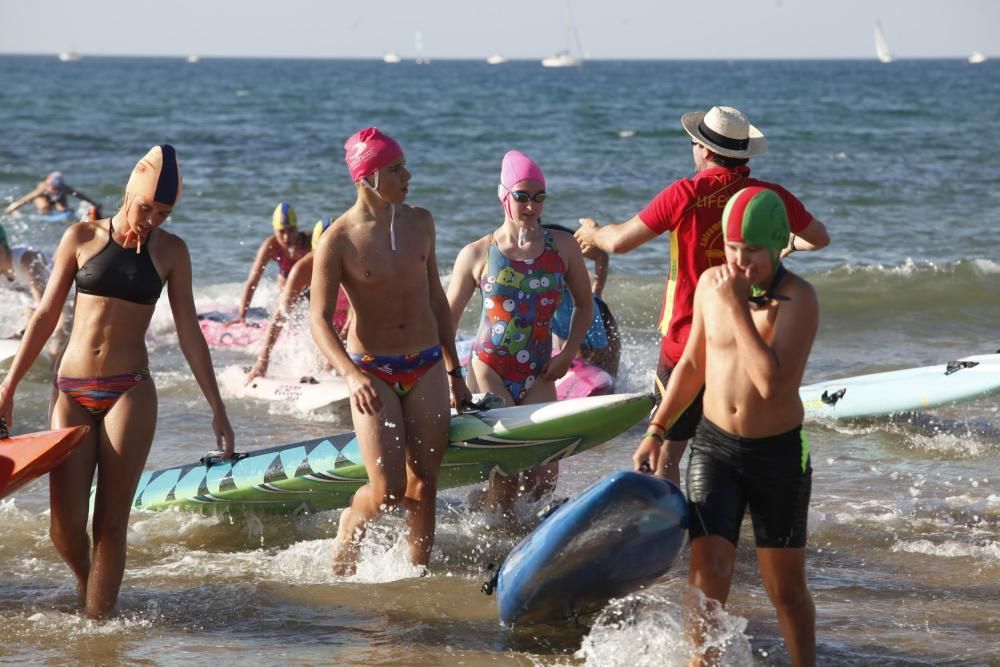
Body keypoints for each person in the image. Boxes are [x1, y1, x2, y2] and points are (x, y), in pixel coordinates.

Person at [0, 145, 235, 619]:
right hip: (71, 390)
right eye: (147, 207)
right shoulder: (81, 236)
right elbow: (45, 315)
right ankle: (92, 588)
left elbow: (190, 332)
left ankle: (98, 624)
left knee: (110, 521)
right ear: (130, 190)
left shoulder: (172, 252)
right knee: (64, 527)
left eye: (164, 212)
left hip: (130, 389)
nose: (152, 219)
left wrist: (218, 406)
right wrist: (7, 388)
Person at [575, 105, 829, 486]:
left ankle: (675, 534)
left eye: (693, 143)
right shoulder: (767, 197)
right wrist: (783, 243)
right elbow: (819, 238)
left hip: (684, 339)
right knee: (738, 443)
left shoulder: (685, 192)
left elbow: (620, 242)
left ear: (705, 150)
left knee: (666, 453)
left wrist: (593, 233)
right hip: (747, 339)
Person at [634, 187, 817, 666]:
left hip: (778, 455)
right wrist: (657, 428)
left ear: (778, 245)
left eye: (751, 252)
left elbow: (771, 384)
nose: (739, 263)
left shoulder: (798, 300)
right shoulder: (714, 284)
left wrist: (737, 306)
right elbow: (692, 364)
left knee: (785, 590)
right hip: (714, 448)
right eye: (732, 250)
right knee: (707, 576)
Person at [309, 127, 470, 575]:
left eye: (404, 165)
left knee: (425, 483)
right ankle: (350, 523)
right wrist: (350, 374)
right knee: (387, 490)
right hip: (372, 370)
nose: (408, 175)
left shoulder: (422, 222)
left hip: (427, 364)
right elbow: (318, 318)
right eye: (396, 168)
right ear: (368, 177)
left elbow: (436, 298)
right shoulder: (337, 240)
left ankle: (416, 575)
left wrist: (455, 372)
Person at [447, 151, 593, 513]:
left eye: (538, 197)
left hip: (541, 370)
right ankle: (483, 525)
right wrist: (451, 379)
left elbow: (585, 305)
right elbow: (444, 321)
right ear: (504, 196)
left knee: (545, 477)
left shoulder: (564, 248)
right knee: (509, 474)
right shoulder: (478, 253)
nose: (531, 206)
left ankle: (520, 535)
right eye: (521, 196)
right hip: (488, 370)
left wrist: (568, 354)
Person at [245, 218, 351, 383]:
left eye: (335, 256)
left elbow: (358, 314)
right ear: (314, 251)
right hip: (329, 322)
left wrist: (341, 347)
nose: (330, 263)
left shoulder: (354, 265)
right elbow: (280, 315)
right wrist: (262, 360)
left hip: (354, 324)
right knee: (319, 358)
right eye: (323, 256)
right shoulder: (302, 270)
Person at [543, 222, 621, 379]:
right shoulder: (538, 295)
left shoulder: (581, 305)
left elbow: (601, 348)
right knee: (571, 353)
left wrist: (589, 367)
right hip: (571, 329)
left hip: (603, 330)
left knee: (608, 374)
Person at [230, 201, 311, 323]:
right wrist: (242, 315)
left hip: (309, 284)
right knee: (284, 305)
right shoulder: (271, 246)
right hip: (286, 283)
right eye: (282, 231)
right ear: (274, 230)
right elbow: (253, 280)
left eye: (291, 230)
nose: (286, 237)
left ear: (297, 228)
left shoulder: (308, 242)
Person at [4, 171, 102, 218]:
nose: (55, 190)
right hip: (42, 197)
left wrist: (95, 204)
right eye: (54, 188)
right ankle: (43, 211)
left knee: (63, 208)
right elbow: (25, 200)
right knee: (44, 206)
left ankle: (59, 210)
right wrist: (11, 209)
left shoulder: (64, 188)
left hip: (57, 197)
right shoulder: (43, 188)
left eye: (57, 189)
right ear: (48, 185)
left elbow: (80, 195)